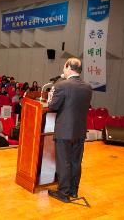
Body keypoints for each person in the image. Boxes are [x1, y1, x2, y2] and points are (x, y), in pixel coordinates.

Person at [47, 58, 92, 203]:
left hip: (65, 130)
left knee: (64, 162)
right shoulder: (87, 86)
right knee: (75, 162)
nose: (63, 71)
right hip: (79, 130)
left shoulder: (62, 85)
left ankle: (63, 193)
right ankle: (73, 190)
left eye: (64, 67)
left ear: (68, 67)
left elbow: (53, 106)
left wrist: (50, 98)